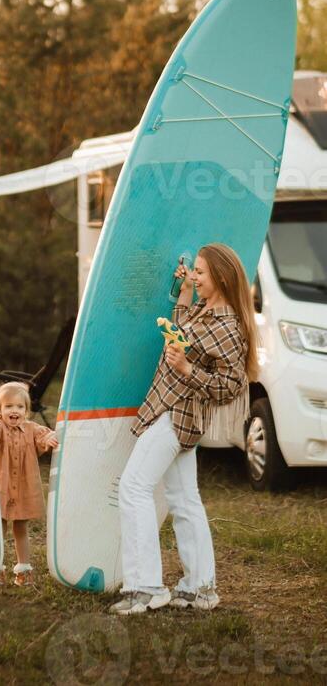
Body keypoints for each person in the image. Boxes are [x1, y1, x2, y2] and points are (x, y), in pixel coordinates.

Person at [110, 243, 257, 616]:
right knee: (183, 500)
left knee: (133, 488)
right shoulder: (205, 311)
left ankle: (146, 588)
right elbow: (182, 334)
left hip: (177, 415)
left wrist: (189, 371)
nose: (195, 275)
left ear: (221, 277)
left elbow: (232, 385)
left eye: (201, 272)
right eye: (194, 270)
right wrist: (187, 295)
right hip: (170, 408)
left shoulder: (227, 327)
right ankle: (200, 588)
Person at [0, 381, 59, 587]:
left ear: (26, 411)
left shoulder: (31, 428)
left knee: (21, 527)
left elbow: (44, 435)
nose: (14, 410)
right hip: (2, 486)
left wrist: (50, 438)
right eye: (9, 406)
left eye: (19, 406)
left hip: (23, 488)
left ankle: (23, 569)